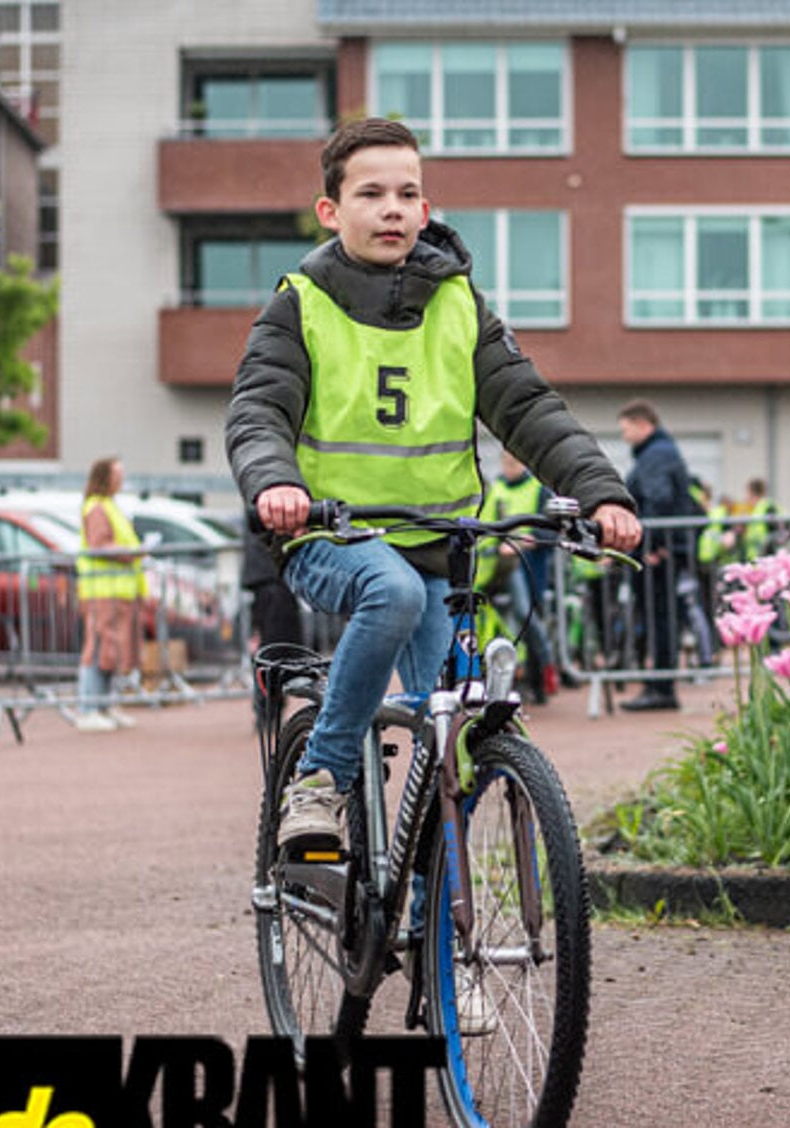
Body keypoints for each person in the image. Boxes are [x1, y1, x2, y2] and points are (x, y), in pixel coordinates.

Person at [226, 118, 640, 854]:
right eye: (371, 193)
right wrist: (274, 483)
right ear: (331, 210)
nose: (392, 208)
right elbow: (259, 407)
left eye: (408, 193)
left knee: (458, 732)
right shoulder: (302, 303)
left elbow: (529, 408)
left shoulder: (460, 306)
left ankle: (427, 914)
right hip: (331, 535)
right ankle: (320, 781)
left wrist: (601, 492)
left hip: (439, 547)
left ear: (426, 208)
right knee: (394, 595)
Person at [615, 399, 697, 711]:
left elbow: (657, 499)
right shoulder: (659, 452)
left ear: (642, 424)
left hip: (658, 554)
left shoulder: (655, 455)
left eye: (626, 429)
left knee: (658, 618)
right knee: (659, 617)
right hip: (665, 550)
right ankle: (659, 685)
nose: (624, 436)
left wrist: (653, 546)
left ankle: (661, 688)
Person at [479, 449, 559, 704]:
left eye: (514, 461)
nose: (509, 466)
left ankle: (544, 670)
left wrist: (533, 539)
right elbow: (485, 526)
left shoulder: (539, 490)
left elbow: (553, 531)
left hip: (529, 569)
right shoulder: (497, 489)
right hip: (499, 568)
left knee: (526, 616)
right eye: (505, 462)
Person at [74, 456, 144, 733]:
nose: (122, 479)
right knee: (99, 647)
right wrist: (131, 553)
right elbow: (99, 545)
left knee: (112, 649)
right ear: (106, 477)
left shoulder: (109, 506)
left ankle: (103, 705)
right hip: (103, 589)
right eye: (118, 474)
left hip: (115, 589)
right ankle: (89, 707)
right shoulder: (98, 508)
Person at [241, 507, 303, 734]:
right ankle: (267, 710)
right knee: (273, 649)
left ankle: (270, 708)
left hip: (271, 577)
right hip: (270, 577)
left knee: (275, 648)